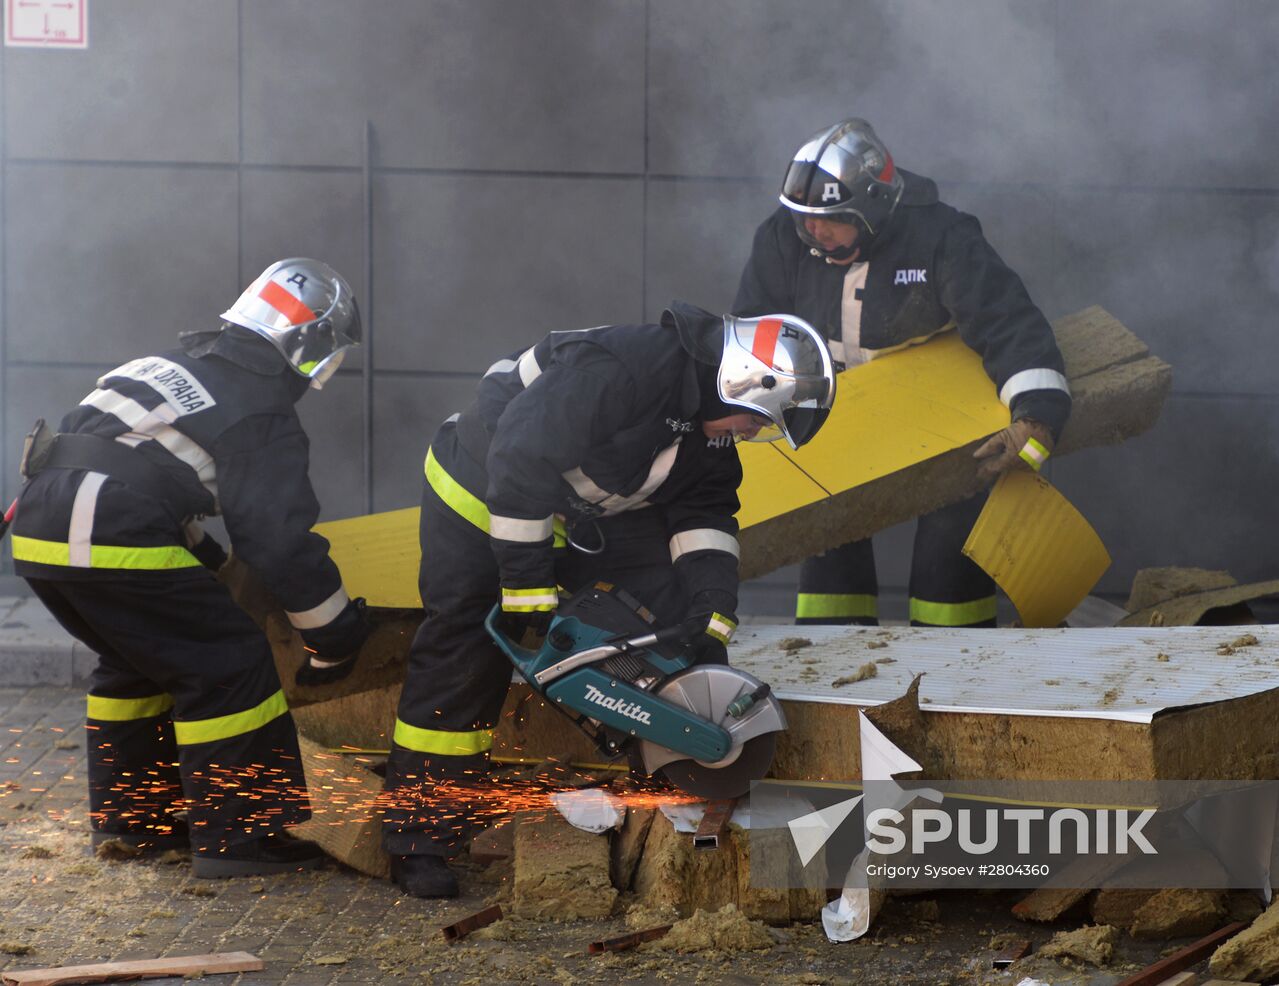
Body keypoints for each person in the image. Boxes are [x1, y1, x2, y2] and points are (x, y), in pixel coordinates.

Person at [382, 302, 836, 897]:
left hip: (581, 511)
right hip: (481, 491)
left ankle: (669, 777)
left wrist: (709, 613)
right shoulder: (623, 369)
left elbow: (705, 516)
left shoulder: (710, 430)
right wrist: (527, 588)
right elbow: (519, 455)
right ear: (740, 381)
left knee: (669, 618)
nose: (752, 433)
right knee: (464, 655)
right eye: (756, 420)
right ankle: (420, 836)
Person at [6, 258, 371, 877]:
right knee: (229, 665)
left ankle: (136, 825)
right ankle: (240, 841)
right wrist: (334, 636)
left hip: (41, 530)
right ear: (312, 350)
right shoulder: (260, 411)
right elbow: (278, 541)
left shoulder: (162, 366)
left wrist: (214, 566)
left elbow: (140, 477)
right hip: (113, 532)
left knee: (136, 661)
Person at [733, 118, 1072, 629]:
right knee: (829, 551)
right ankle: (831, 662)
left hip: (940, 422)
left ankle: (955, 665)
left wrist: (1036, 418)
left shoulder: (942, 238)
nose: (813, 232)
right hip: (833, 420)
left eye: (831, 219)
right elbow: (755, 334)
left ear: (872, 210)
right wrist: (749, 406)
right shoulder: (785, 237)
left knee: (949, 553)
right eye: (804, 219)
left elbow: (1007, 323)